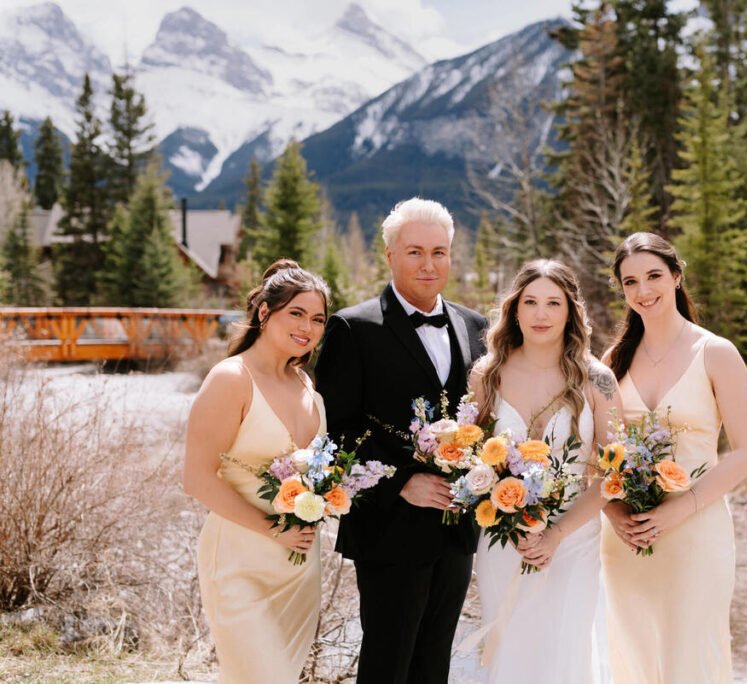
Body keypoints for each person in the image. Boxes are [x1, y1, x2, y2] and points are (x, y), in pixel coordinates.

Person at [315, 198, 488, 684]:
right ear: (389, 255)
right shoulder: (354, 328)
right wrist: (400, 484)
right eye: (414, 252)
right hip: (387, 528)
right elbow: (337, 429)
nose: (428, 264)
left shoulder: (476, 327)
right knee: (387, 664)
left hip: (456, 529)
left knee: (435, 663)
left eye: (439, 251)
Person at [600, 232, 747, 683]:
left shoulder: (715, 352)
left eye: (653, 276)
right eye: (630, 282)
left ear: (676, 275)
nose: (644, 290)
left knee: (691, 657)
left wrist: (681, 508)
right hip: (626, 538)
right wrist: (614, 512)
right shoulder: (613, 360)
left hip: (696, 530)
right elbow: (602, 451)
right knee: (630, 655)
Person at [468, 259, 622, 684]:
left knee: (565, 653)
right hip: (505, 541)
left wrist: (556, 533)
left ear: (571, 311)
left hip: (574, 541)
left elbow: (614, 472)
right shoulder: (487, 375)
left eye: (553, 303)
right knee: (513, 653)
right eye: (530, 302)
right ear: (514, 309)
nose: (540, 314)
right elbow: (471, 460)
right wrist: (509, 522)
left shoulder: (597, 379)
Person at [183, 259, 330, 683]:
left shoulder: (305, 384)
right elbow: (196, 478)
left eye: (317, 318)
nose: (307, 327)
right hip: (239, 563)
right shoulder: (231, 379)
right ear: (265, 313)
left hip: (299, 568)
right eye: (296, 314)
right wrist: (272, 528)